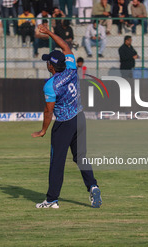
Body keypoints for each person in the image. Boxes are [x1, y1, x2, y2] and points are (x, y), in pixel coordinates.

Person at [32, 23, 101, 209]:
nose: (46, 63)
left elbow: (48, 111)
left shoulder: (51, 85)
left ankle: (52, 200)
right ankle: (93, 186)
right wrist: (49, 32)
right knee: (81, 157)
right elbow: (66, 47)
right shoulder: (71, 68)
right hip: (80, 118)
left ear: (52, 67)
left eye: (48, 61)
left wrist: (43, 130)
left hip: (64, 124)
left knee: (57, 162)